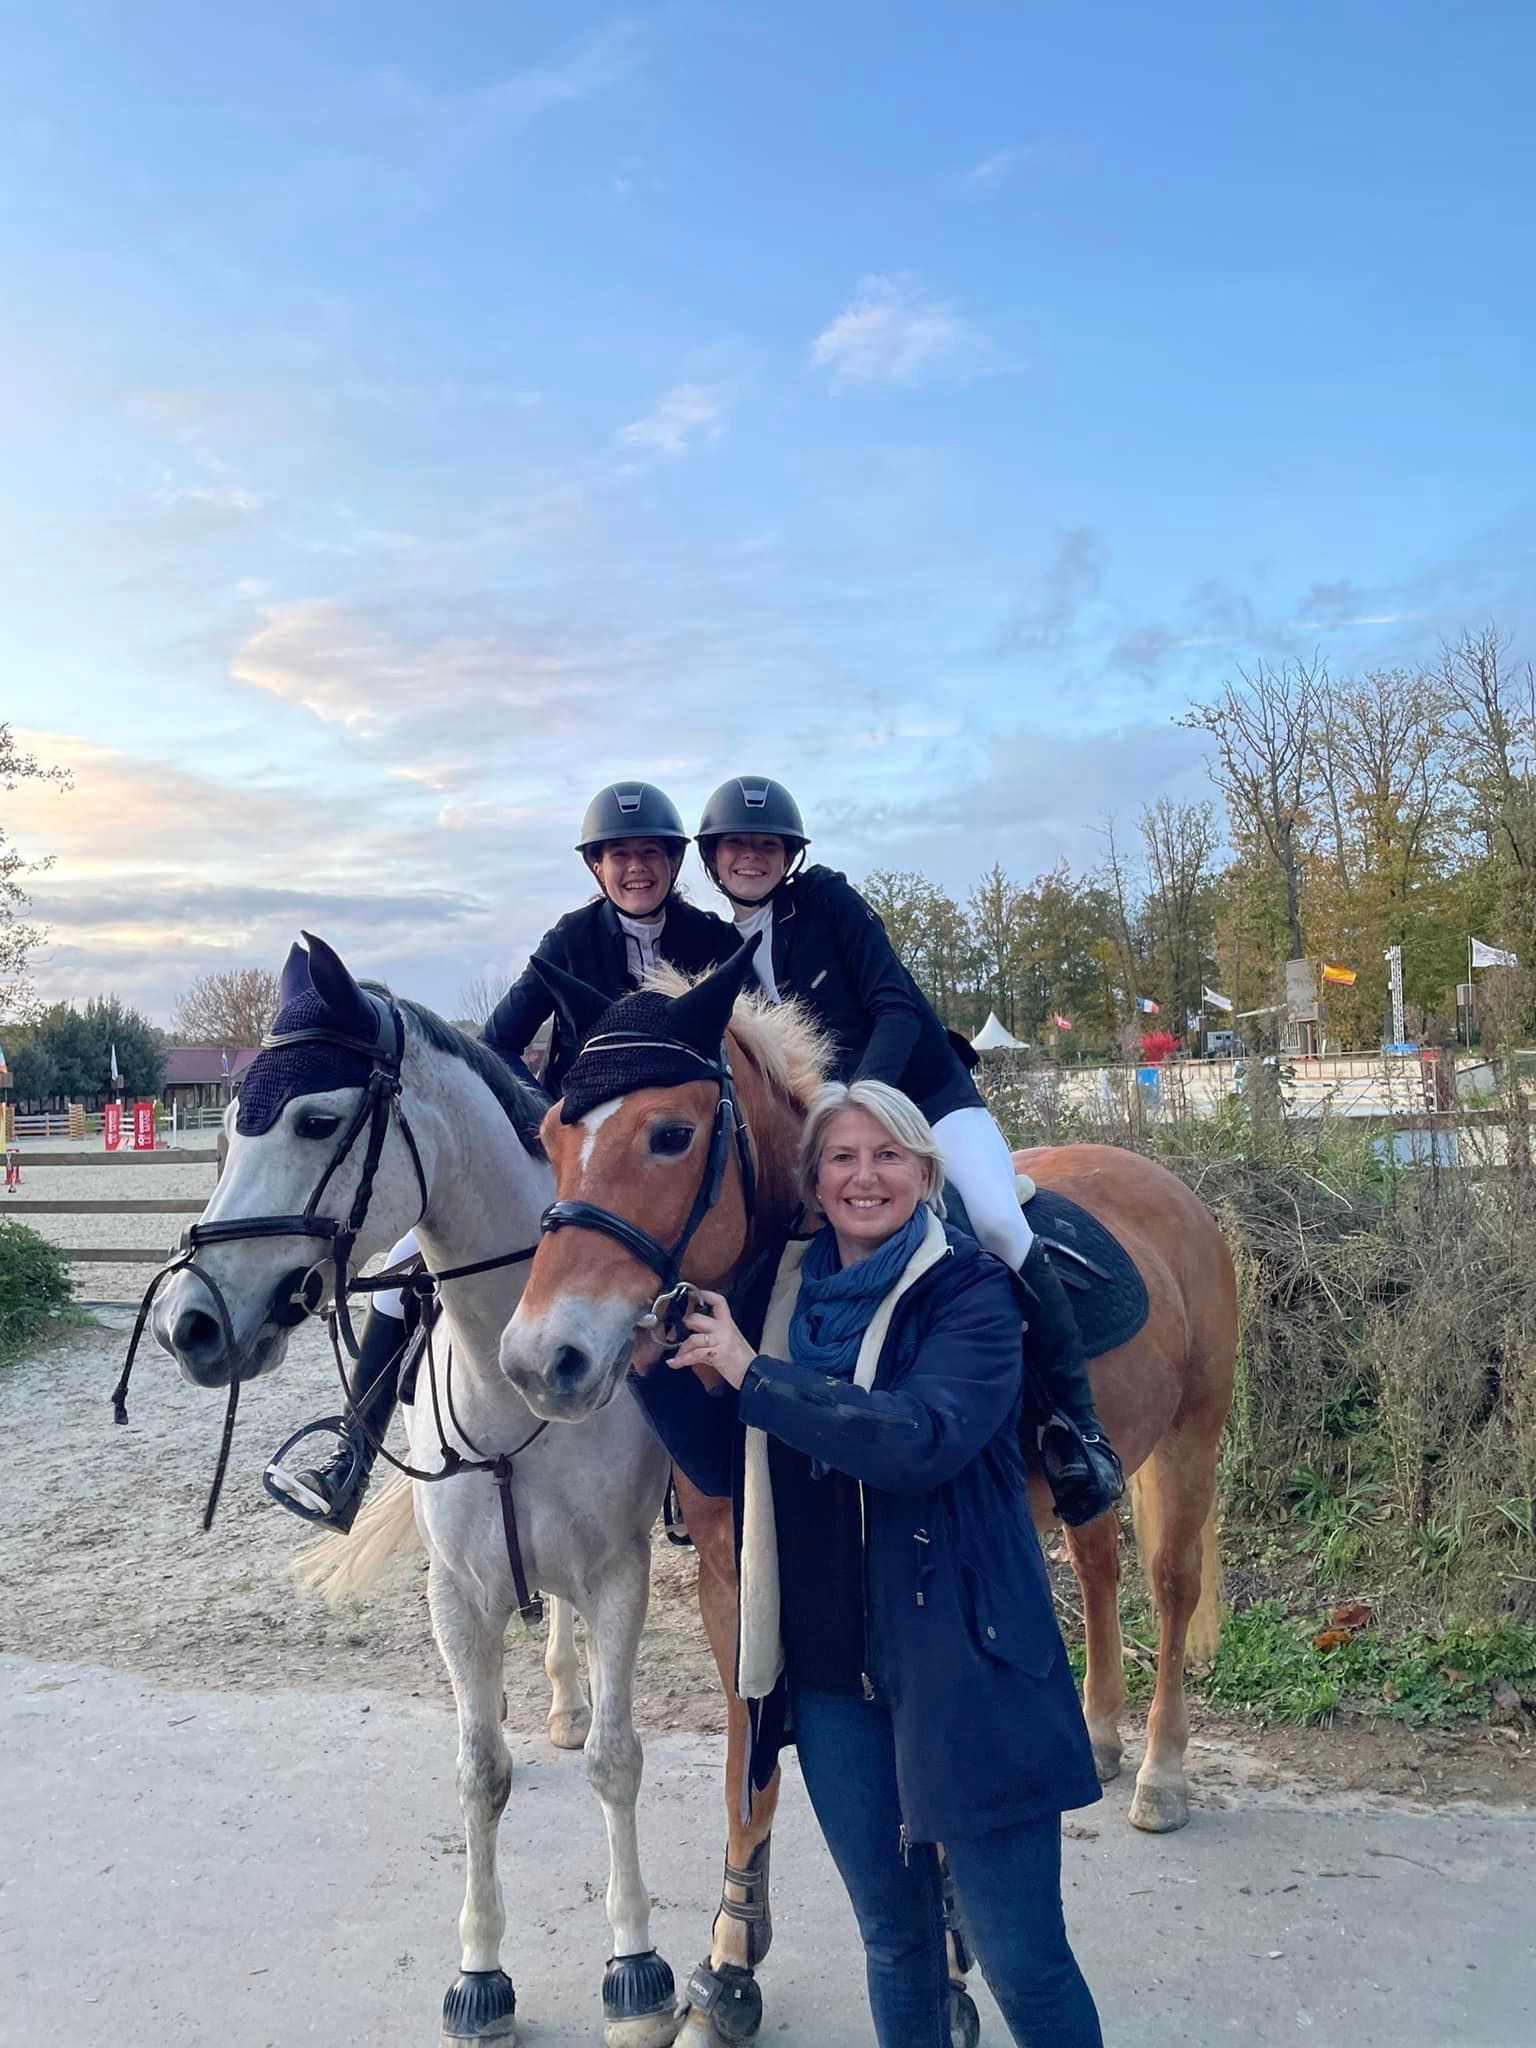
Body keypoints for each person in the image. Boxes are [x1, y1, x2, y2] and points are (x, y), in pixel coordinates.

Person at [633, 1080, 1105, 2048]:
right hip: (834, 1676)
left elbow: (920, 1438)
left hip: (968, 1666)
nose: (864, 1175)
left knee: (1023, 1956)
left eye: (887, 1153)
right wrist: (651, 1366)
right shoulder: (783, 1291)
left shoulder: (967, 1288)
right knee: (893, 1941)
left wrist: (752, 1371)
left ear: (925, 1172)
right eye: (841, 1157)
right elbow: (731, 1454)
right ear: (811, 1180)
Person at [265, 781, 741, 1529]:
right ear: (597, 867)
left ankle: (692, 1475)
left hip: (667, 1159)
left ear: (674, 862)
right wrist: (544, 1119)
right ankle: (352, 1452)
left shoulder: (713, 941)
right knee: (406, 1265)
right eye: (620, 856)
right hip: (572, 1151)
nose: (636, 869)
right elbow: (496, 1044)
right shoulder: (567, 940)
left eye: (651, 854)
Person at [694, 776, 1121, 1526]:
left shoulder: (828, 903)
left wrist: (860, 1103)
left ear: (787, 855)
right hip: (826, 1128)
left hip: (925, 1097)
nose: (752, 858)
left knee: (995, 1222)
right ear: (715, 860)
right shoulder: (714, 943)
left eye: (766, 846)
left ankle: (1076, 1428)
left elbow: (894, 1004)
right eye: (738, 846)